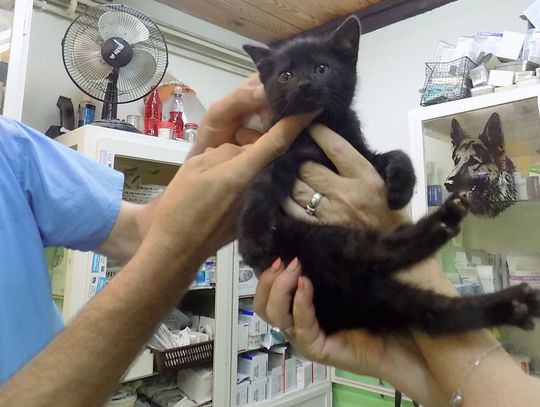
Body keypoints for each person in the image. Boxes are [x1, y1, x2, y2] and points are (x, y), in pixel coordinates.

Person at [0, 75, 320, 406]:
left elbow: (141, 231)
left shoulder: (11, 147)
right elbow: (165, 241)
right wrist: (177, 252)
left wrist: (202, 159)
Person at [253, 124, 540, 407]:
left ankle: (477, 294)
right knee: (417, 307)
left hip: (352, 280)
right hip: (328, 284)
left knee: (416, 306)